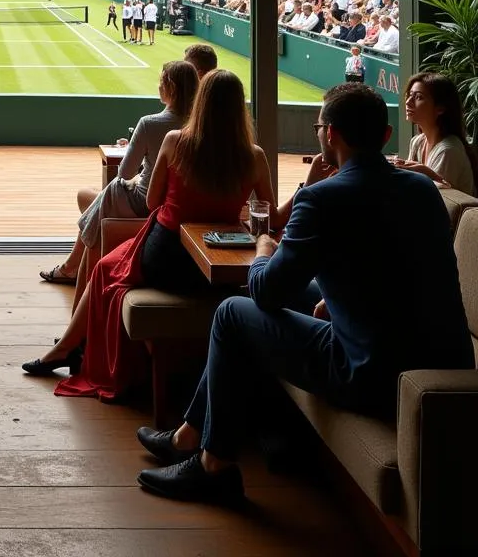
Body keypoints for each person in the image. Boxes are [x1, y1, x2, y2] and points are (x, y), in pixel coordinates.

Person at [136, 84, 473, 503]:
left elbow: (265, 291)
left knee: (230, 314)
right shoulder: (423, 191)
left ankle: (213, 464)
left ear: (329, 135)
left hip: (369, 373)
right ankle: (194, 434)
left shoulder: (320, 198)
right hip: (435, 358)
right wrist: (332, 300)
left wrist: (262, 250)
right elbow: (389, 267)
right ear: (386, 137)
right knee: (307, 294)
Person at [24, 70, 275, 401]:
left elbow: (153, 201)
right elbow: (266, 212)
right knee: (108, 266)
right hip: (212, 270)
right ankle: (67, 349)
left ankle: (66, 350)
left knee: (103, 269)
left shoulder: (175, 141)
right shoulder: (254, 156)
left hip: (164, 255)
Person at [39, 61, 201, 303]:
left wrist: (135, 150)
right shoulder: (200, 127)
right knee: (99, 198)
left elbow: (124, 173)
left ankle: (71, 268)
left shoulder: (150, 123)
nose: (158, 86)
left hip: (145, 203)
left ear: (171, 88)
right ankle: (71, 267)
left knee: (111, 191)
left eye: (161, 81)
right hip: (176, 205)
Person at [392, 73, 478, 195]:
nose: (408, 102)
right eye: (410, 95)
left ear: (440, 109)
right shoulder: (418, 141)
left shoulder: (448, 150)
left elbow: (431, 200)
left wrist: (426, 173)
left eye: (418, 97)